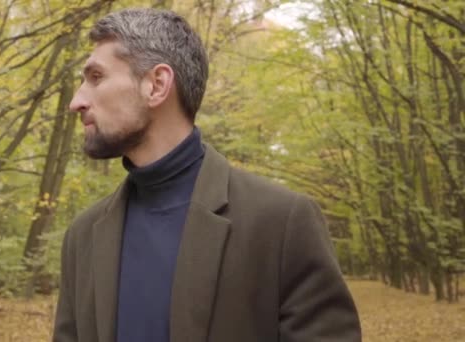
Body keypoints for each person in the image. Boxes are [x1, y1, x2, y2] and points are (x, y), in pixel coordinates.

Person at [52, 7, 361, 342]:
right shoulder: (82, 236)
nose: (77, 101)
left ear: (156, 85)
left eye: (96, 77)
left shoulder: (282, 223)